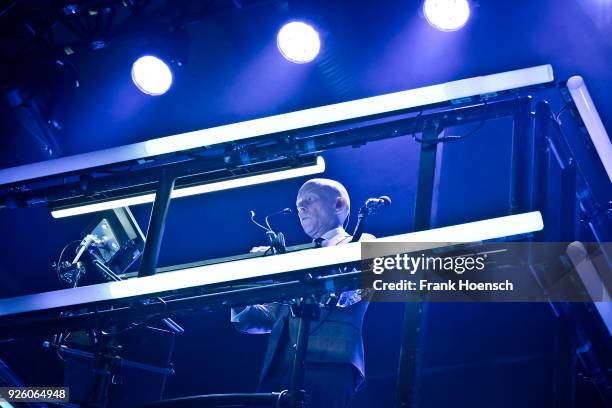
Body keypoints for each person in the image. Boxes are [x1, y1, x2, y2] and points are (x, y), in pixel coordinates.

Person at [231, 178, 372, 408]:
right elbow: (267, 318)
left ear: (339, 205)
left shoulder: (360, 241)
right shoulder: (295, 257)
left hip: (330, 363)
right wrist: (242, 286)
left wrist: (281, 266)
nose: (301, 209)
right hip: (277, 368)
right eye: (298, 206)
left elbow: (347, 294)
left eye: (309, 201)